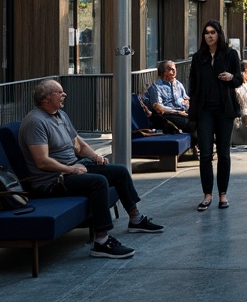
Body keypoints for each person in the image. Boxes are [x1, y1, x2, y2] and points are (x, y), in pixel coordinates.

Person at [19, 79, 163, 259]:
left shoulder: (60, 115)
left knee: (119, 171)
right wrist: (71, 170)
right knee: (98, 182)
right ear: (46, 99)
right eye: (59, 92)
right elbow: (42, 161)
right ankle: (101, 242)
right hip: (53, 180)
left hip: (73, 168)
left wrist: (95, 157)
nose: (64, 95)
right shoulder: (35, 122)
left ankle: (136, 219)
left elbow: (79, 145)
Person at [188, 20, 241, 211]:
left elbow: (240, 79)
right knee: (206, 154)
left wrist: (231, 78)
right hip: (204, 111)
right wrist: (193, 110)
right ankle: (207, 195)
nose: (209, 36)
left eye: (213, 32)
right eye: (206, 33)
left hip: (224, 110)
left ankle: (223, 194)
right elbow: (192, 85)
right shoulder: (198, 57)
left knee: (224, 154)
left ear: (219, 34)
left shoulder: (230, 54)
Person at [145, 60, 191, 134]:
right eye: (170, 69)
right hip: (167, 116)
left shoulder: (178, 84)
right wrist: (178, 112)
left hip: (183, 112)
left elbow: (186, 98)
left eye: (174, 68)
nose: (174, 70)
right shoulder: (156, 87)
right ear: (163, 72)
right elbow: (158, 108)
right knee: (190, 123)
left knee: (202, 117)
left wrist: (187, 103)